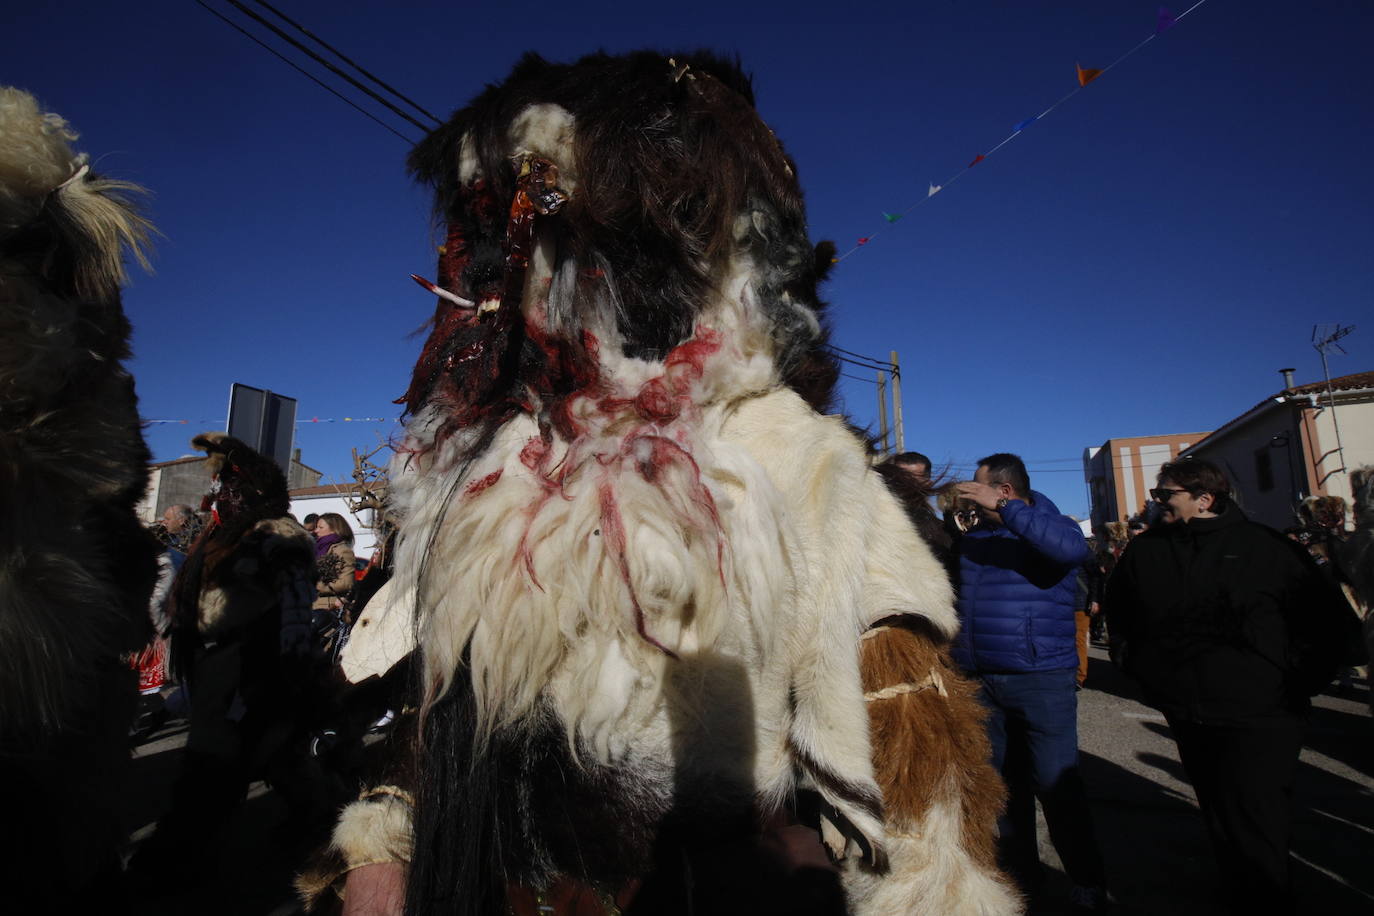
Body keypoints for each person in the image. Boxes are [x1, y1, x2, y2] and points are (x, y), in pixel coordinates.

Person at [1105, 459, 1360, 915]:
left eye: (1166, 494)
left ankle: (1267, 900)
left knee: (1259, 818)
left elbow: (1327, 626)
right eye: (1156, 494)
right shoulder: (1147, 553)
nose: (1155, 502)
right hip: (1186, 709)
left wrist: (1293, 684)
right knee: (1219, 813)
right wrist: (1143, 671)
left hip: (1261, 715)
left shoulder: (1266, 549)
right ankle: (1236, 891)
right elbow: (1122, 617)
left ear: (1204, 499)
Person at [951, 453, 1109, 912]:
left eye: (980, 488)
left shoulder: (1053, 524)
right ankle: (1021, 877)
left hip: (1040, 679)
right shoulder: (976, 536)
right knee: (1002, 788)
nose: (971, 497)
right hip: (982, 680)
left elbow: (1070, 551)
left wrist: (1009, 511)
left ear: (1003, 490)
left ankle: (1087, 880)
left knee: (1056, 784)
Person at [313, 512, 357, 614]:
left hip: (330, 608)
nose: (316, 531)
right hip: (313, 606)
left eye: (321, 527)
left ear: (335, 529)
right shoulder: (317, 549)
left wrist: (316, 585)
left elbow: (347, 583)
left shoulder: (342, 551)